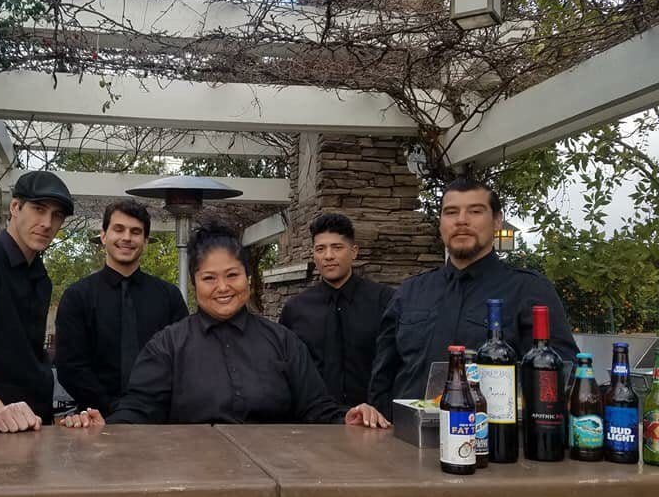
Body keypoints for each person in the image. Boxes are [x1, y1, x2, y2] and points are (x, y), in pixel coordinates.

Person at [62, 221, 389, 428]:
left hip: (280, 476)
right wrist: (103, 424)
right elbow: (139, 409)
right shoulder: (168, 346)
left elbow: (316, 407)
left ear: (248, 278)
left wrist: (347, 417)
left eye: (232, 275)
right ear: (194, 284)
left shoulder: (282, 340)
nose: (222, 287)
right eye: (209, 278)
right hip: (193, 480)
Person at [367, 177, 580, 419]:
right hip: (405, 444)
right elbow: (382, 376)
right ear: (440, 224)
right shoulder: (409, 292)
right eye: (451, 212)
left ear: (497, 221)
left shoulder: (529, 290)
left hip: (494, 446)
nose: (461, 220)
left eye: (475, 211)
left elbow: (559, 376)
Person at [0, 170, 75, 433]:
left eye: (57, 216)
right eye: (39, 209)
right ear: (15, 207)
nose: (47, 223)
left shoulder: (41, 278)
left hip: (32, 424)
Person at [55, 200, 188, 416]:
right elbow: (71, 367)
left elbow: (183, 360)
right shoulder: (77, 297)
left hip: (160, 421)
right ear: (104, 236)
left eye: (135, 232)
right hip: (96, 420)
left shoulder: (169, 296)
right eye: (119, 229)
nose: (127, 237)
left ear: (145, 240)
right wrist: (113, 410)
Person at [279, 213, 394, 407]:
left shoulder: (385, 301)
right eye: (320, 249)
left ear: (354, 251)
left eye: (337, 247)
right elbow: (286, 368)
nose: (328, 256)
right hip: (312, 422)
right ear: (313, 254)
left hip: (376, 418)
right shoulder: (295, 309)